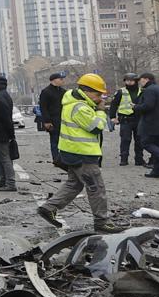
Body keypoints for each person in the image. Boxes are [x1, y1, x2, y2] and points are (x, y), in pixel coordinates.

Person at [37, 73, 118, 231]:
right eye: (97, 94)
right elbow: (96, 127)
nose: (100, 98)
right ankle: (102, 223)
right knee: (96, 188)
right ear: (86, 91)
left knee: (74, 184)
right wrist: (101, 111)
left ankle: (48, 208)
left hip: (72, 152)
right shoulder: (79, 107)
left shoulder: (74, 101)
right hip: (83, 154)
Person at [107, 74, 145, 167]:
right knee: (125, 140)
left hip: (139, 119)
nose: (129, 82)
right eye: (127, 80)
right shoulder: (121, 92)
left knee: (139, 140)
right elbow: (114, 105)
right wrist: (112, 117)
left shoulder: (142, 91)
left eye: (131, 80)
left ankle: (139, 159)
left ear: (136, 81)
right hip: (125, 119)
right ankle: (124, 159)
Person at [36, 72, 67, 164]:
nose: (62, 81)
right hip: (52, 120)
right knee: (54, 140)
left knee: (64, 141)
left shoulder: (63, 91)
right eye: (60, 79)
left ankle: (64, 158)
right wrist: (47, 121)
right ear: (54, 80)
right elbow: (43, 107)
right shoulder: (46, 92)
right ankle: (56, 159)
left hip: (63, 120)